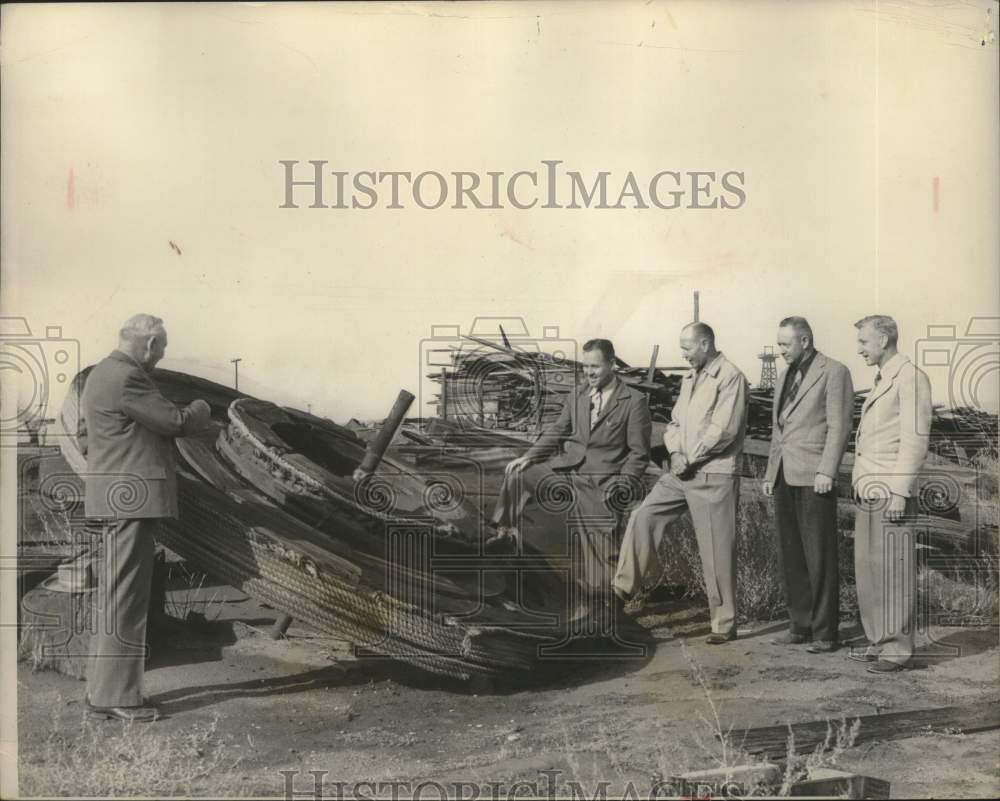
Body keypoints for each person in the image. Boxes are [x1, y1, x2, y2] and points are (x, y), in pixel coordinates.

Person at [82, 314, 211, 721]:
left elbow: (91, 439)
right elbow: (175, 421)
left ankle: (102, 691)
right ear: (150, 343)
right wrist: (203, 407)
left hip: (114, 498)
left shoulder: (101, 374)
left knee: (114, 596)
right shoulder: (128, 377)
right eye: (163, 347)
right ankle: (118, 697)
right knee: (127, 599)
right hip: (132, 502)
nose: (163, 355)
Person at [490, 338, 651, 632]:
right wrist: (528, 456)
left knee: (601, 554)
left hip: (603, 482)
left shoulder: (634, 401)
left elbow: (639, 454)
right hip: (565, 471)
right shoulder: (578, 395)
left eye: (595, 366)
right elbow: (557, 431)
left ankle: (607, 611)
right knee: (517, 473)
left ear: (612, 364)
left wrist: (623, 485)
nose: (589, 373)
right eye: (586, 366)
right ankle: (501, 535)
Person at [614, 323, 748, 644]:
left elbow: (723, 430)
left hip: (713, 473)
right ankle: (620, 590)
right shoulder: (690, 378)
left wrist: (691, 457)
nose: (683, 354)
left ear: (704, 344)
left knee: (715, 551)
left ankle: (723, 624)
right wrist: (675, 453)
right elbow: (675, 423)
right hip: (680, 471)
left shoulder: (731, 377)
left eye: (687, 348)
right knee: (643, 515)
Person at [762, 317, 854, 653]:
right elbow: (779, 430)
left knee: (820, 555)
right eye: (778, 344)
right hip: (785, 475)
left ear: (805, 340)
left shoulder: (834, 371)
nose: (780, 350)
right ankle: (799, 625)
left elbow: (839, 426)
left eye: (785, 344)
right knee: (791, 554)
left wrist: (827, 470)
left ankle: (826, 632)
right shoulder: (785, 375)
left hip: (816, 477)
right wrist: (771, 474)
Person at [850, 314, 931, 674]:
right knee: (869, 568)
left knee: (893, 572)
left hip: (889, 489)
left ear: (884, 340)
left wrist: (899, 492)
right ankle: (878, 640)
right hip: (869, 487)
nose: (859, 349)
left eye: (864, 342)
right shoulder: (885, 378)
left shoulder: (911, 378)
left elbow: (914, 442)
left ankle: (897, 649)